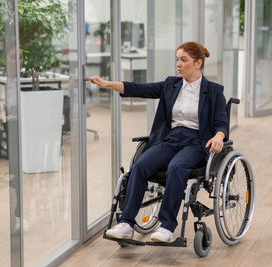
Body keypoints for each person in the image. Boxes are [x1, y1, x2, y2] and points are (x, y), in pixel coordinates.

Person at [90, 41, 228, 243]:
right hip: (170, 139)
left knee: (176, 167)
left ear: (198, 63)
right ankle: (127, 223)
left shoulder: (213, 91)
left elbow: (221, 123)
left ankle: (167, 227)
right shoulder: (171, 84)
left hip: (196, 143)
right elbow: (141, 89)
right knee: (140, 165)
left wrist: (218, 136)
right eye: (177, 60)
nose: (178, 64)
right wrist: (107, 84)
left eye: (184, 60)